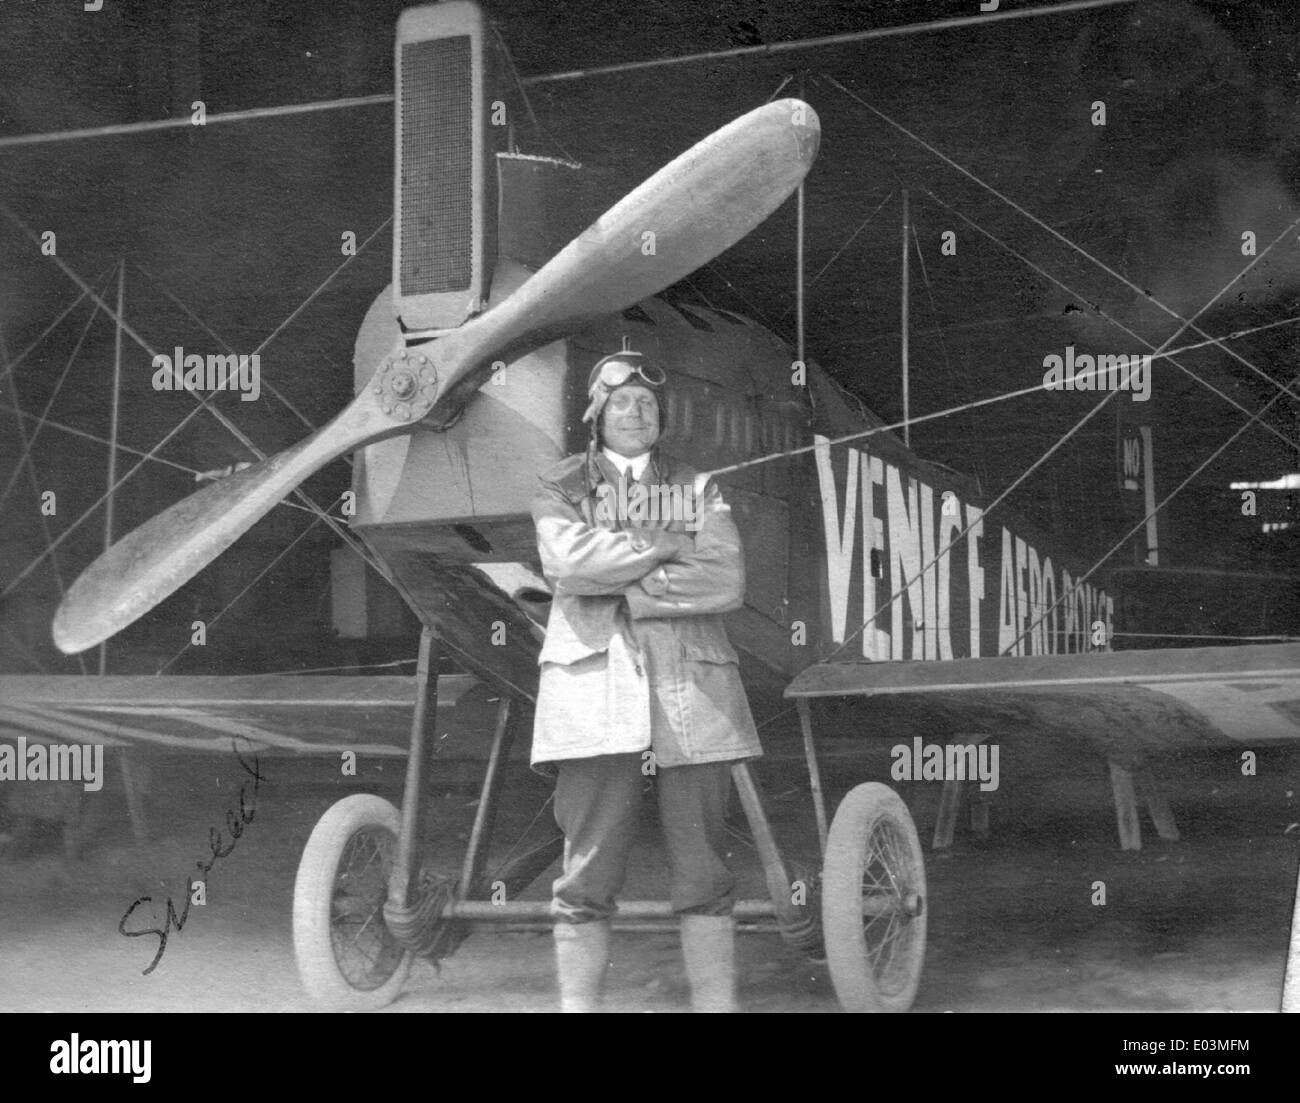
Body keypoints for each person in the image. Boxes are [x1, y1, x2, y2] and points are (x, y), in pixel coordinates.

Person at [530, 345, 762, 1013]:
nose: (636, 411)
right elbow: (567, 563)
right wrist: (663, 545)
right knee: (586, 869)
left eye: (648, 403)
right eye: (623, 401)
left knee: (704, 867)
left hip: (692, 691)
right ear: (596, 415)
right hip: (593, 690)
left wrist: (626, 586)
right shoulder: (560, 483)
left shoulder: (696, 485)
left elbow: (724, 578)